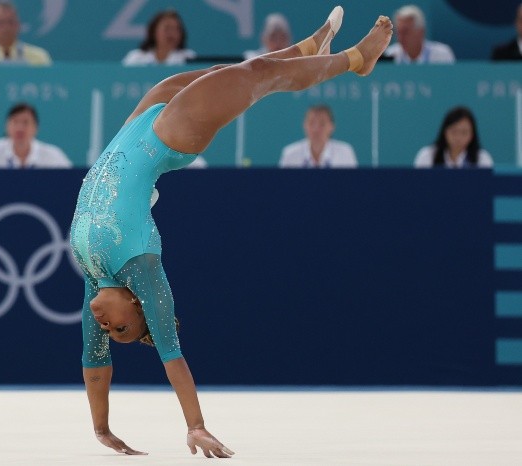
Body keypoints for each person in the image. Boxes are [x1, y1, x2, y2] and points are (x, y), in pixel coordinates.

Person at [70, 6, 393, 457]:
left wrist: (101, 429)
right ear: (137, 302)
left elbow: (94, 361)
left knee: (226, 74)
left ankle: (307, 49)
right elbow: (172, 357)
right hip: (167, 139)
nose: (107, 326)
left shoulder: (95, 275)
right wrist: (195, 425)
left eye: (110, 329)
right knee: (256, 77)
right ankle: (357, 59)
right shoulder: (140, 267)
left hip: (135, 127)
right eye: (122, 328)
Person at [0, 103, 72, 168]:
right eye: (15, 122)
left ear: (36, 127)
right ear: (6, 126)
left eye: (26, 122)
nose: (20, 128)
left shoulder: (53, 156)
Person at [279, 104, 358, 168]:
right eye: (311, 123)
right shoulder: (290, 154)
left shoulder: (345, 152)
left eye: (322, 123)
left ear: (332, 126)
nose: (316, 129)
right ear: (304, 125)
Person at [414, 106, 493, 168]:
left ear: (472, 135)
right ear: (444, 132)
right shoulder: (428, 156)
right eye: (454, 131)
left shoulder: (482, 159)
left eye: (464, 132)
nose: (458, 137)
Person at [383, 4, 455, 64]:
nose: (400, 37)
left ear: (421, 32)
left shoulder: (442, 55)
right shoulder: (389, 55)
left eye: (406, 32)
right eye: (398, 32)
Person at [122, 9, 196, 66]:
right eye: (167, 28)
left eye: (176, 29)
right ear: (154, 31)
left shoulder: (189, 58)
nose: (172, 33)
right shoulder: (135, 58)